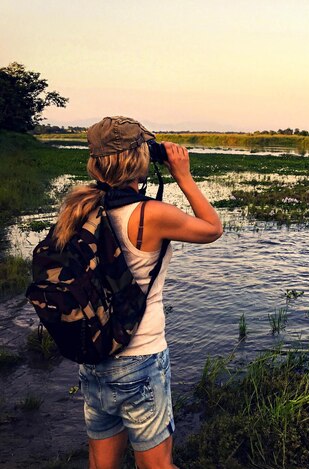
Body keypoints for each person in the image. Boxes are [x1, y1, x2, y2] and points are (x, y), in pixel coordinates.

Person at [52, 116, 223, 469]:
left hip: (94, 356)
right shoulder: (150, 214)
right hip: (140, 357)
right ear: (139, 159)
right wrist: (183, 176)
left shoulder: (79, 208)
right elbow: (212, 228)